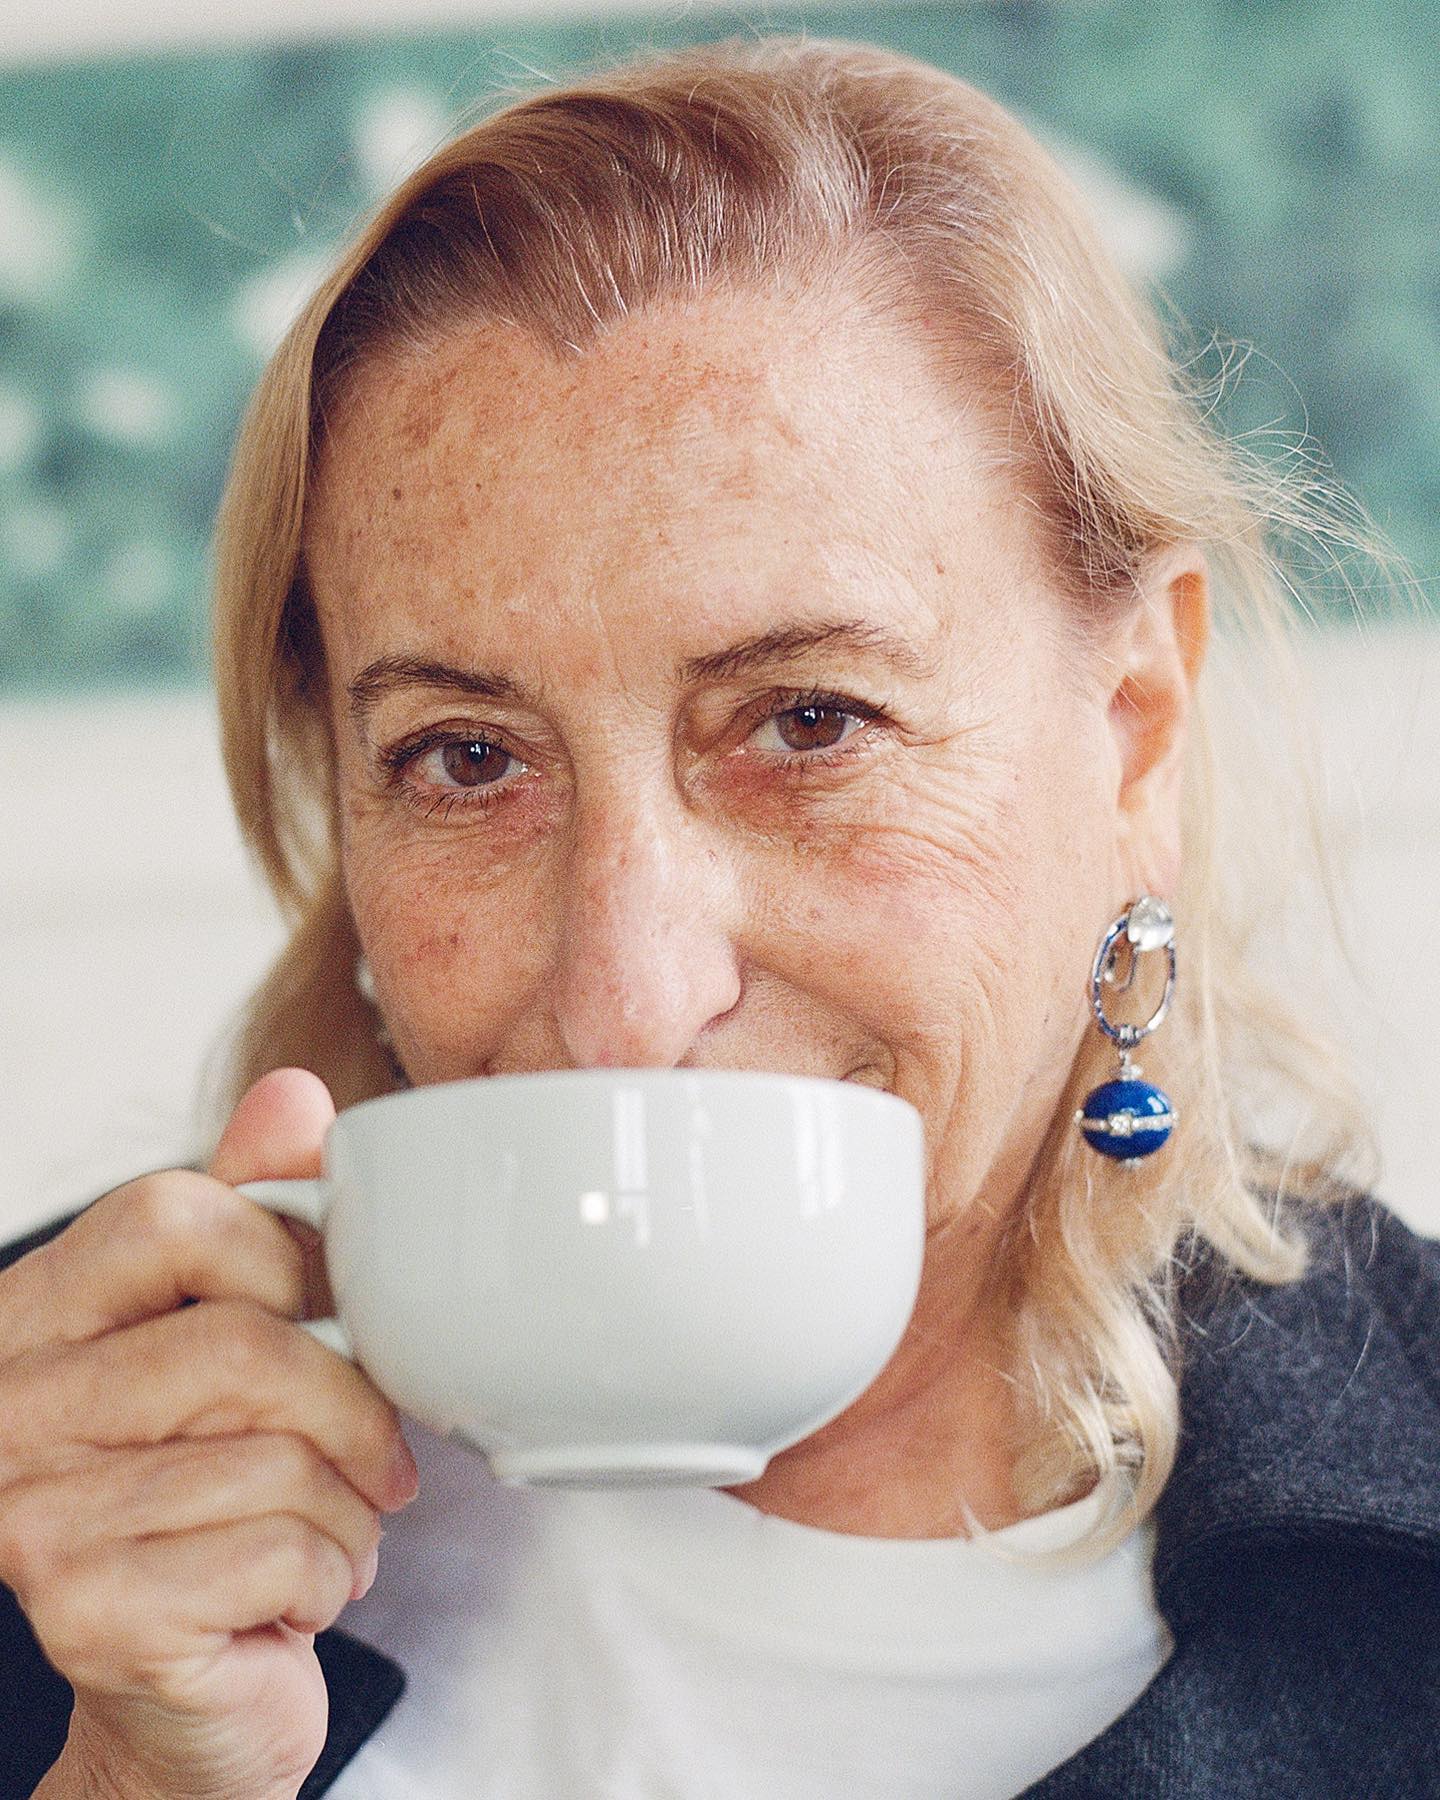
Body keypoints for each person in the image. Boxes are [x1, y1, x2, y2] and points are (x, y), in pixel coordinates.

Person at [2, 32, 1436, 1800]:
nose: (629, 995)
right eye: (465, 758)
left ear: (1134, 730)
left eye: (810, 724)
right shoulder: (55, 1484)